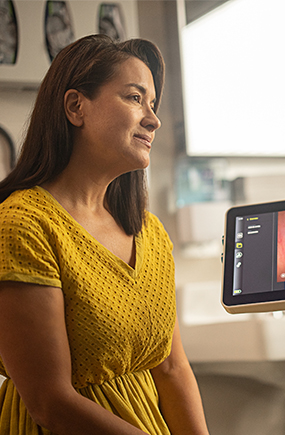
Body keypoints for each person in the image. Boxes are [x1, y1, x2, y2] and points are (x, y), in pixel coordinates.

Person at [0, 34, 209, 435]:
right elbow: (51, 403)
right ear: (77, 107)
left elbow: (171, 367)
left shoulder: (149, 232)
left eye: (153, 104)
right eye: (134, 98)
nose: (153, 118)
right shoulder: (25, 226)